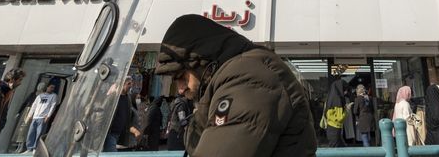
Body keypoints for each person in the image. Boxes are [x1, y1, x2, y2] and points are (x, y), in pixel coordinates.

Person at [154, 14, 316, 156]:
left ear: (200, 61)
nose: (180, 89)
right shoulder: (238, 76)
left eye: (181, 77)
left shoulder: (249, 78)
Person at [105, 77, 141, 152]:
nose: (131, 85)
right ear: (122, 84)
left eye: (131, 83)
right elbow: (103, 114)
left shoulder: (127, 98)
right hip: (111, 133)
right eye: (128, 83)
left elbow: (127, 118)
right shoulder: (113, 98)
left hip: (120, 134)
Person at [25, 83, 58, 151]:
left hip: (43, 117)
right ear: (47, 87)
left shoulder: (53, 96)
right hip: (35, 117)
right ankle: (29, 148)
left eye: (53, 88)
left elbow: (53, 106)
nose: (52, 89)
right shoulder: (39, 96)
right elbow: (34, 105)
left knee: (39, 133)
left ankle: (36, 148)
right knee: (31, 133)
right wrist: (30, 115)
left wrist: (48, 116)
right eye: (51, 87)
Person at [323, 80, 347, 147]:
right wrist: (346, 110)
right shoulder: (337, 101)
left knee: (341, 148)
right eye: (344, 89)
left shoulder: (330, 99)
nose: (346, 92)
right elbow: (339, 119)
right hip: (335, 130)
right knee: (335, 148)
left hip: (331, 128)